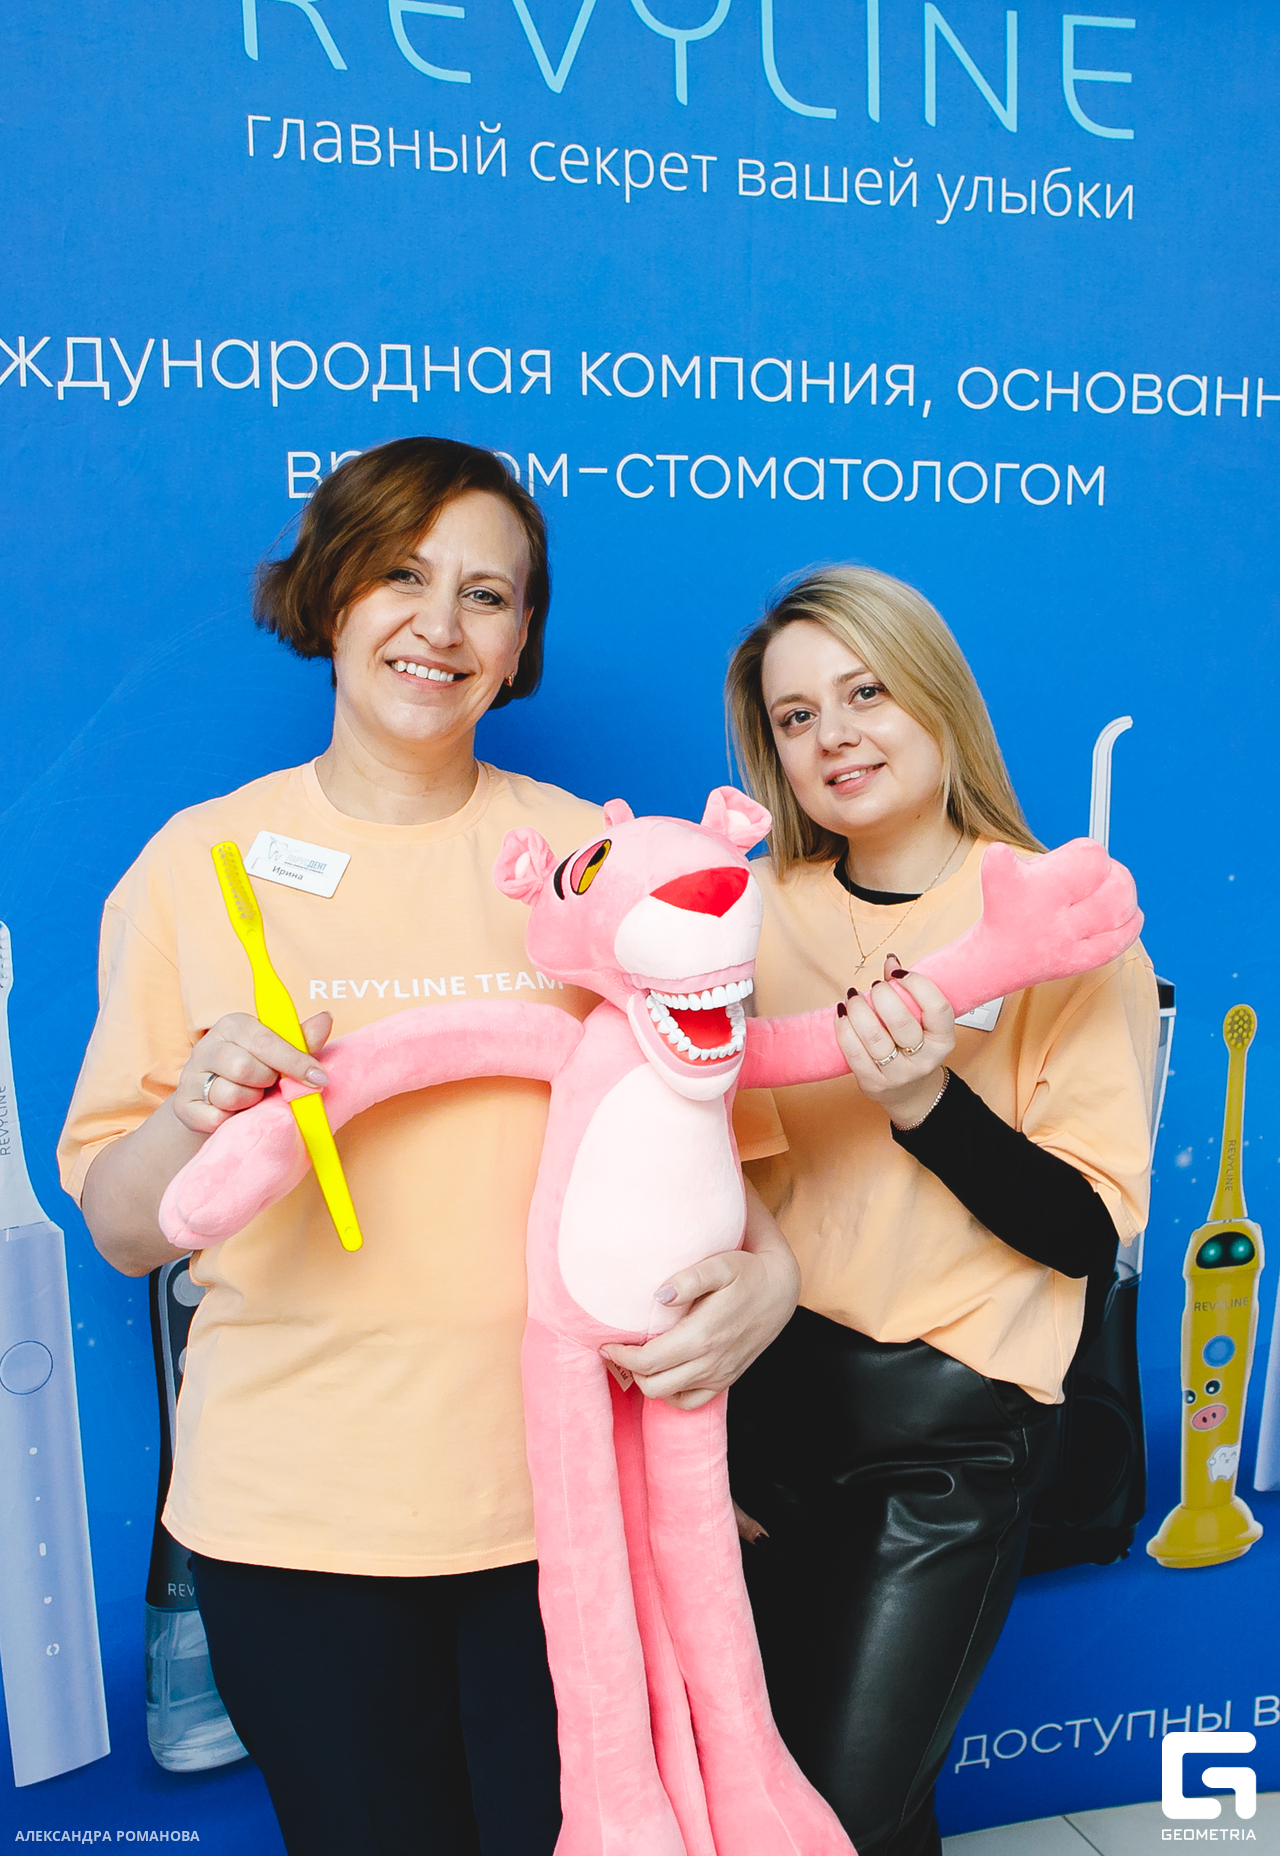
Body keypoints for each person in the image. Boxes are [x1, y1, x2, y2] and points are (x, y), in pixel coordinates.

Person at [58, 437, 799, 1856]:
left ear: (519, 645)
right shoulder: (196, 865)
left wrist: (768, 1286)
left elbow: (718, 1153)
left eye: (487, 595)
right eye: (402, 575)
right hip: (293, 1521)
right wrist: (195, 1110)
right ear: (332, 593)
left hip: (566, 1505)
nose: (440, 625)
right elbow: (123, 1227)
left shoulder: (595, 864)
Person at [723, 565, 1158, 1856]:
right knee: (837, 1799)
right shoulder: (748, 922)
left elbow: (1087, 1233)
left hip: (944, 1445)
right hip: (766, 1413)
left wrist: (928, 1105)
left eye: (865, 692)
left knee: (826, 1821)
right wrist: (708, 1446)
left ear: (936, 698)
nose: (834, 735)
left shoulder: (1060, 926)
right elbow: (715, 1196)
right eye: (796, 716)